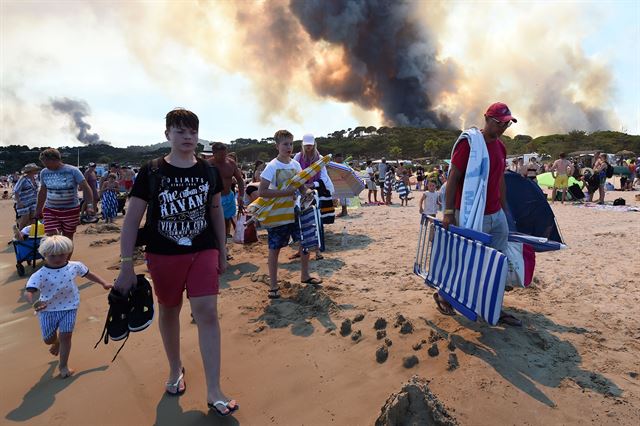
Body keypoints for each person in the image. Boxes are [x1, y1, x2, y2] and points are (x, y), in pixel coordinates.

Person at [114, 108, 238, 416]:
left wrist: (222, 250)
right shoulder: (152, 171)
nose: (187, 137)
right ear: (167, 134)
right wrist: (126, 264)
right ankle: (175, 369)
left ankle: (214, 390)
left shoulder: (208, 171)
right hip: (163, 254)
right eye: (180, 131)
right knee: (170, 309)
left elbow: (215, 212)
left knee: (207, 312)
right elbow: (131, 220)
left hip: (203, 250)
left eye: (193, 132)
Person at [438, 102, 521, 326]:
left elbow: (500, 180)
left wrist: (505, 208)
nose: (504, 127)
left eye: (507, 123)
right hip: (471, 213)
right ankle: (444, 294)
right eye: (500, 123)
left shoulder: (501, 148)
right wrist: (448, 213)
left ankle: (494, 306)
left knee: (498, 262)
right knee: (467, 259)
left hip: (495, 214)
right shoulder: (470, 145)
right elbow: (453, 177)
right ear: (487, 118)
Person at [24, 235, 111, 378]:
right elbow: (30, 291)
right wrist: (31, 300)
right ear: (44, 255)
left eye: (62, 255)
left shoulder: (75, 266)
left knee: (66, 336)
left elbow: (89, 274)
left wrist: (104, 283)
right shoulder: (39, 274)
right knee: (48, 339)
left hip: (70, 306)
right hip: (47, 310)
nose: (58, 258)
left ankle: (63, 365)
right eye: (52, 256)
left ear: (68, 252)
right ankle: (55, 342)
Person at [258, 130, 323, 299]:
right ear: (277, 146)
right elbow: (262, 192)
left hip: (295, 211)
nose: (289, 147)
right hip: (277, 215)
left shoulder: (295, 165)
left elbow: (300, 186)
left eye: (291, 143)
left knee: (305, 241)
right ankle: (273, 286)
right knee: (275, 249)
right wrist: (285, 193)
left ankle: (305, 275)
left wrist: (307, 192)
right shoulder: (272, 166)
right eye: (285, 144)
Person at [36, 148, 95, 240]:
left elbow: (86, 188)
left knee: (67, 237)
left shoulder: (73, 170)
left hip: (71, 210)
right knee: (52, 237)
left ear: (55, 159)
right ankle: (55, 254)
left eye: (46, 162)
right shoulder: (44, 172)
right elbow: (42, 191)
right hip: (50, 210)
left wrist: (90, 205)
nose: (45, 165)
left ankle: (65, 255)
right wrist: (38, 209)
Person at [208, 142, 245, 258]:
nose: (224, 157)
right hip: (214, 199)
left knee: (226, 224)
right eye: (221, 155)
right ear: (214, 154)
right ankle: (215, 250)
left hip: (228, 197)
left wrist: (241, 196)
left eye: (225, 154)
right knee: (213, 226)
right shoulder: (208, 165)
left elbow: (240, 180)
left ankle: (223, 250)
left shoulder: (230, 163)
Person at [13, 163, 40, 232]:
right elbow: (16, 190)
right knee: (25, 220)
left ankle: (31, 234)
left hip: (33, 202)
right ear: (31, 171)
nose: (37, 170)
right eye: (35, 169)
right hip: (24, 202)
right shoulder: (23, 179)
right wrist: (19, 202)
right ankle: (20, 235)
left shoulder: (35, 178)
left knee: (33, 219)